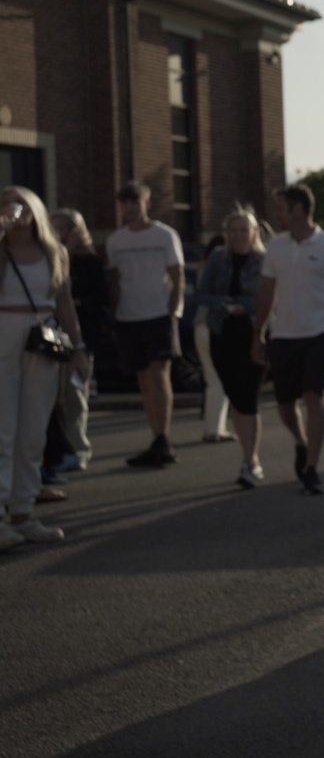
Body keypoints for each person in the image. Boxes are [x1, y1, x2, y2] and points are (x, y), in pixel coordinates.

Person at [251, 184, 324, 496]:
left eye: (280, 208)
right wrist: (258, 332)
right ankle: (301, 442)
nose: (276, 214)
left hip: (321, 332)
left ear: (298, 209)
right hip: (284, 334)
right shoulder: (276, 247)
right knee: (285, 404)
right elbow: (267, 292)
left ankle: (311, 468)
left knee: (314, 395)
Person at [1, 187, 90, 550]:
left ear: (36, 209)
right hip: (4, 332)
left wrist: (78, 348)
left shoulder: (55, 252)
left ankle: (22, 512)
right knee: (3, 429)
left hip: (44, 335)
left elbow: (64, 302)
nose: (13, 209)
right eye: (5, 202)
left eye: (20, 203)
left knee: (34, 429)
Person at [105, 181, 185, 468]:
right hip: (128, 318)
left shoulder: (165, 235)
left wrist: (172, 313)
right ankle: (156, 439)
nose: (129, 208)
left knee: (159, 374)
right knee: (143, 379)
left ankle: (163, 438)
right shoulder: (115, 240)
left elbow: (177, 277)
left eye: (134, 202)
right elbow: (115, 282)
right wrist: (113, 315)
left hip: (159, 315)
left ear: (147, 203)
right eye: (124, 203)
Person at [197, 209, 270, 489]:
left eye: (244, 230)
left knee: (249, 398)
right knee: (237, 399)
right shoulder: (218, 258)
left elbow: (270, 297)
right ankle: (249, 455)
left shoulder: (264, 260)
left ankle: (250, 462)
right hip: (222, 334)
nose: (239, 235)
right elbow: (203, 293)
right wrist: (224, 303)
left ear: (254, 233)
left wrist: (244, 305)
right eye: (234, 230)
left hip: (254, 335)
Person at [48, 208, 105, 470]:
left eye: (61, 229)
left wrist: (76, 303)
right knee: (51, 399)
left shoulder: (90, 262)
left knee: (74, 396)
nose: (57, 234)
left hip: (81, 336)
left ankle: (78, 448)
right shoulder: (46, 258)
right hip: (49, 338)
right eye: (53, 229)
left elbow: (100, 299)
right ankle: (56, 452)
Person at [193, 233, 236, 444]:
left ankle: (213, 427)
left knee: (212, 379)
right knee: (220, 378)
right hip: (213, 326)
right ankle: (215, 429)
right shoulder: (220, 269)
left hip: (200, 325)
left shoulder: (202, 268)